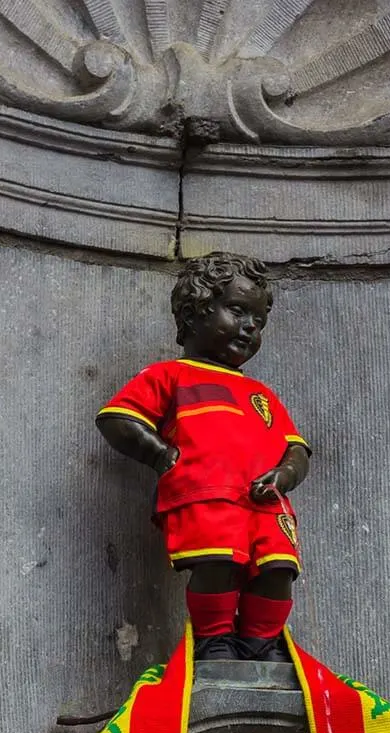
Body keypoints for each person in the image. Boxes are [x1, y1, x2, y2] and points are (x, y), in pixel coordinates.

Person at [96, 252, 310, 661]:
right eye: (237, 310)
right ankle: (215, 642)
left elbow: (295, 449)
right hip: (205, 493)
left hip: (266, 502)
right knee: (218, 564)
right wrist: (163, 457)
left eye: (259, 321)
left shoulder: (261, 395)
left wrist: (285, 475)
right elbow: (117, 419)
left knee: (277, 570)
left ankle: (260, 642)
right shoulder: (170, 376)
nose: (250, 326)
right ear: (195, 312)